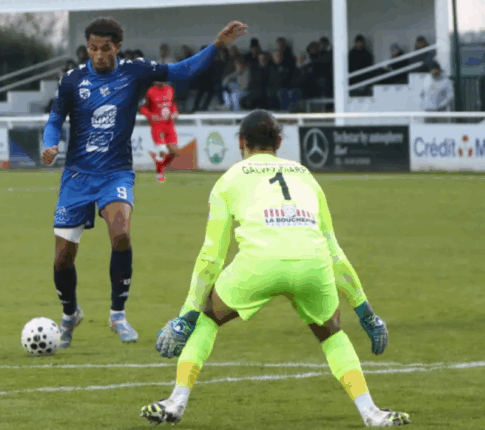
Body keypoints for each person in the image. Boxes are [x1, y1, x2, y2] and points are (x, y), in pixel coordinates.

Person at [139, 110, 409, 427]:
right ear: (279, 142)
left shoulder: (229, 179)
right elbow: (335, 251)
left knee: (208, 317)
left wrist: (186, 314)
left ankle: (176, 401)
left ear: (241, 142)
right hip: (312, 263)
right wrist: (366, 312)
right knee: (331, 333)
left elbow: (212, 256)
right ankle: (371, 412)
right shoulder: (305, 175)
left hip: (260, 265)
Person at [41, 17, 248, 348]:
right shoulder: (72, 81)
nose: (98, 55)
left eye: (105, 49)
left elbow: (181, 72)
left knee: (120, 232)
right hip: (77, 177)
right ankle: (69, 314)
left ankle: (118, 314)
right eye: (93, 49)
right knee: (63, 256)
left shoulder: (134, 71)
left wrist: (217, 45)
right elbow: (54, 119)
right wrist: (48, 143)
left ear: (117, 47)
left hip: (115, 173)